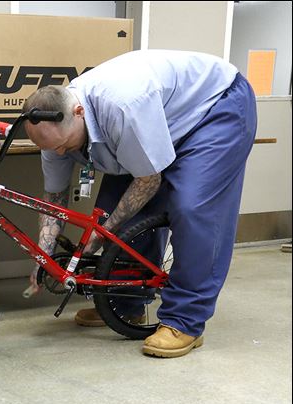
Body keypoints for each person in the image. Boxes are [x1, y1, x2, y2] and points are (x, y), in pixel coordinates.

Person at [22, 49, 257, 358]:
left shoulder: (122, 106)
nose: (61, 154)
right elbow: (54, 197)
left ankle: (185, 320)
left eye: (65, 145)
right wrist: (43, 254)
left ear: (78, 112)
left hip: (214, 108)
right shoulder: (51, 127)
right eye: (53, 148)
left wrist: (98, 237)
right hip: (158, 120)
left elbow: (148, 181)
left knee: (192, 208)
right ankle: (125, 305)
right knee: (111, 213)